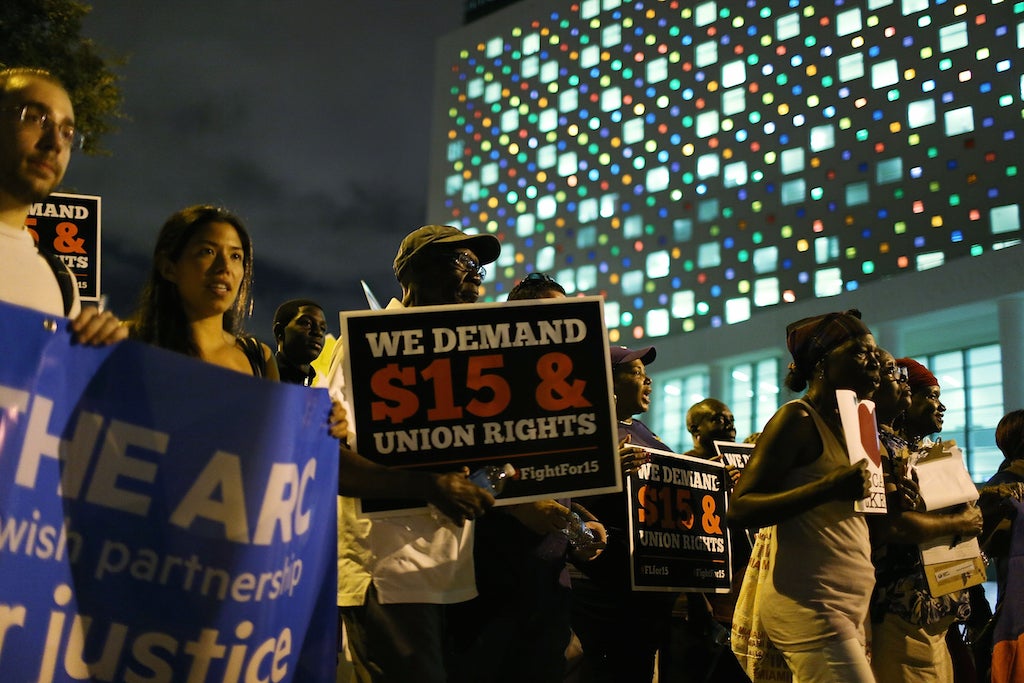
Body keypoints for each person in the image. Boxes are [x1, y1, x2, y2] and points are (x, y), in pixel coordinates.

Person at [326, 224, 501, 683]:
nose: (477, 277)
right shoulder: (364, 345)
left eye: (478, 267)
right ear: (412, 273)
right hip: (388, 574)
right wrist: (431, 486)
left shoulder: (460, 356)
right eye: (462, 264)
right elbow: (327, 459)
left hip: (449, 574)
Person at [446, 272, 605, 683]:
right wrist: (515, 506)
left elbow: (558, 481)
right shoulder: (475, 381)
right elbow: (454, 476)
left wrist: (582, 522)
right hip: (486, 588)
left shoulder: (569, 394)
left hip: (549, 590)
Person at [729, 309, 876, 683]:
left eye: (875, 352)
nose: (874, 361)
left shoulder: (858, 423)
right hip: (811, 606)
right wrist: (828, 488)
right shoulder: (796, 419)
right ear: (823, 364)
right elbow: (740, 509)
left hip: (850, 604)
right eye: (860, 352)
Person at [868, 354, 983, 682]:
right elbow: (893, 526)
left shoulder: (917, 452)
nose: (941, 406)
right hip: (902, 611)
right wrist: (961, 523)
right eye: (931, 396)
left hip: (935, 610)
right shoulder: (878, 447)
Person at [570, 344, 680, 683]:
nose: (649, 384)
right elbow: (561, 496)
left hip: (645, 589)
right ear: (609, 382)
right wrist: (606, 470)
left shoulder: (651, 436)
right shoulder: (584, 428)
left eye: (648, 378)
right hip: (599, 585)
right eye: (638, 375)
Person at [0, 66, 124, 344]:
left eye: (67, 133)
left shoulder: (61, 282)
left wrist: (94, 355)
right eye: (34, 118)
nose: (55, 143)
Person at [129, 205, 279, 379]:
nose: (225, 267)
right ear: (168, 268)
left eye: (235, 256)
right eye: (208, 252)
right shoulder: (128, 343)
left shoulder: (259, 359)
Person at [676, 397, 750, 683]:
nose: (728, 424)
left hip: (735, 582)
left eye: (730, 418)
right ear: (695, 427)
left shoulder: (739, 467)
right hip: (703, 586)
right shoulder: (684, 464)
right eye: (718, 419)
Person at [272, 298, 327, 386]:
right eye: (306, 323)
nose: (318, 332)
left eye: (323, 328)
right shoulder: (259, 379)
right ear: (279, 332)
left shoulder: (322, 392)